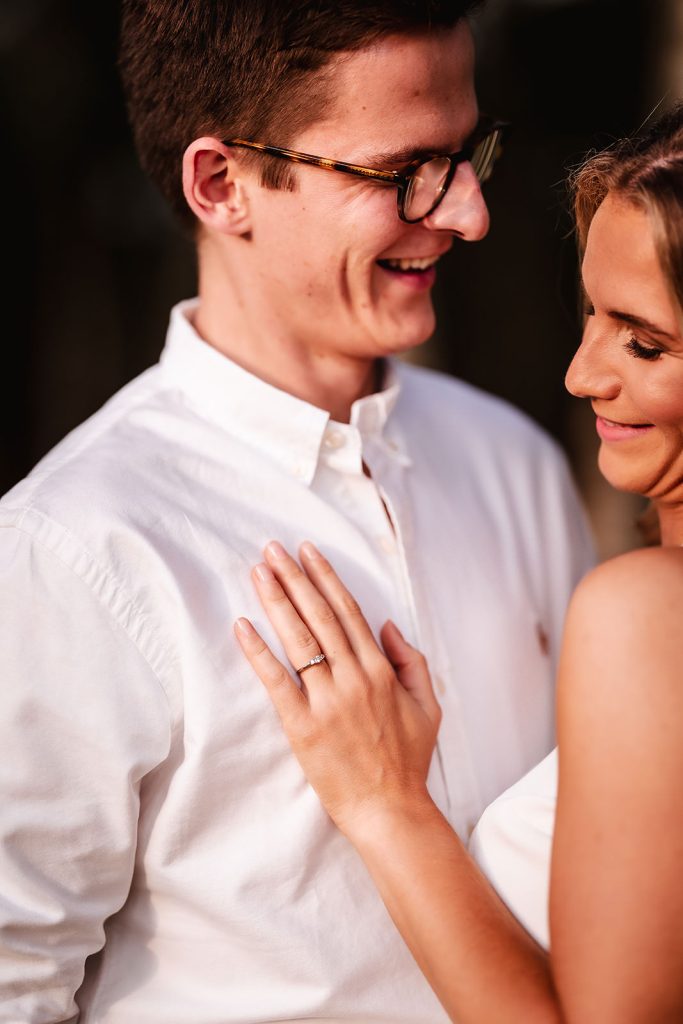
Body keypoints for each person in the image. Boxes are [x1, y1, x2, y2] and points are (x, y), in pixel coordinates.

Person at [0, 2, 593, 1021]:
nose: (466, 215)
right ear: (221, 185)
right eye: (403, 170)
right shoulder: (70, 550)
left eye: (467, 154)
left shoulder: (518, 466)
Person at [236, 104, 683, 1023]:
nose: (581, 373)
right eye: (591, 314)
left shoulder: (644, 615)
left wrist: (385, 808)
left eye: (643, 343)